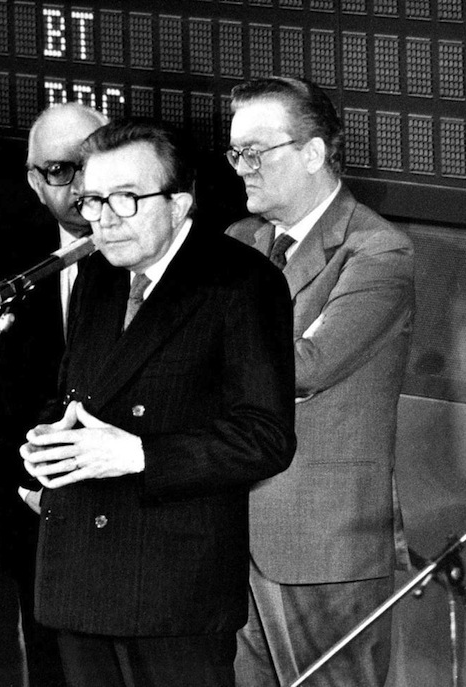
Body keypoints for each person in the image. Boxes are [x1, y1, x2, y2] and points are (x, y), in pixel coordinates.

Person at [19, 118, 297, 687]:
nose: (105, 219)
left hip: (173, 591)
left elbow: (266, 438)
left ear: (179, 204)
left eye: (126, 198)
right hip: (79, 575)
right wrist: (45, 442)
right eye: (93, 200)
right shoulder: (97, 274)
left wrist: (140, 455)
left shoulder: (240, 282)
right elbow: (77, 393)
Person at [225, 76, 414, 687]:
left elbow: (307, 367)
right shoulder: (237, 242)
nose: (242, 168)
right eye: (235, 153)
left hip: (323, 545)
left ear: (312, 153)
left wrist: (207, 349)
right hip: (229, 535)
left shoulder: (377, 250)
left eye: (256, 152)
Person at [0, 101, 108, 687]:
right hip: (38, 520)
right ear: (35, 182)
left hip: (133, 518)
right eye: (61, 170)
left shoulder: (160, 257)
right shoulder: (8, 264)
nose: (81, 184)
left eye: (92, 161)